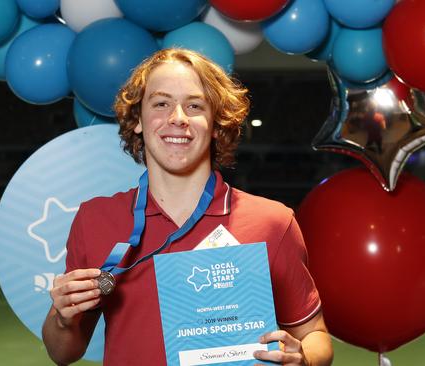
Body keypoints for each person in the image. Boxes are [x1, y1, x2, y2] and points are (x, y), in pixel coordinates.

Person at [42, 48, 333, 366]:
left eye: (194, 105)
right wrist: (62, 318)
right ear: (138, 119)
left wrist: (302, 357)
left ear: (215, 122)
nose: (177, 118)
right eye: (161, 103)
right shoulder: (95, 219)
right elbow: (63, 352)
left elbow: (315, 335)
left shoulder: (273, 222)